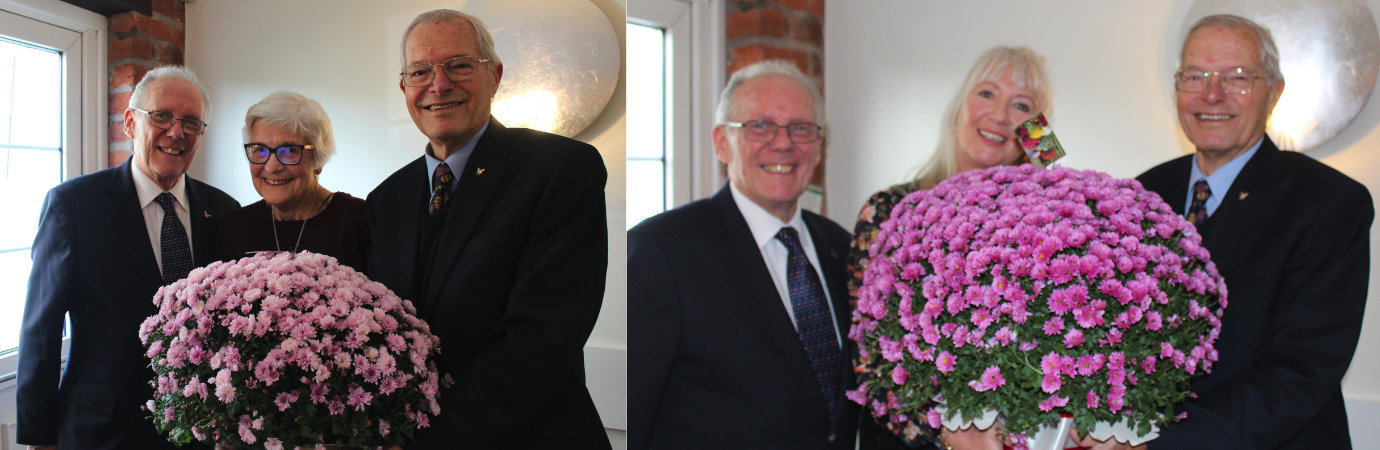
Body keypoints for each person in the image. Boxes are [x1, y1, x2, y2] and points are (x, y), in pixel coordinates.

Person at [1084, 14, 1373, 450]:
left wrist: (1150, 441)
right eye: (1195, 75)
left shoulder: (1328, 202)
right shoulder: (1139, 194)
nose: (1212, 93)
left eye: (1237, 77)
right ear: (1177, 89)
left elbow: (1301, 373)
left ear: (1273, 92)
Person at [365, 9, 610, 449]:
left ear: (494, 76)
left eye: (459, 65)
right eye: (420, 71)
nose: (438, 85)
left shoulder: (560, 169)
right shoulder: (385, 199)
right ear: (404, 87)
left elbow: (541, 340)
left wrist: (425, 441)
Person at [629, 59, 858, 449]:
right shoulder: (661, 251)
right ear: (722, 142)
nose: (783, 143)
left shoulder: (842, 248)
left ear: (818, 147)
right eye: (760, 126)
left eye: (800, 128)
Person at [16, 66, 239, 449]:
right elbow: (41, 331)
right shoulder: (74, 206)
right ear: (131, 123)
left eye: (191, 122)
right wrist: (39, 437)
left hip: (197, 433)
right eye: (162, 116)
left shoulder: (222, 210)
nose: (176, 132)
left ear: (200, 138)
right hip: (101, 430)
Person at [847, 46, 1053, 450]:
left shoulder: (1042, 231)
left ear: (1035, 128)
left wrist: (1046, 158)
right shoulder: (888, 211)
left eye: (1022, 105)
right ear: (959, 106)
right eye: (987, 93)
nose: (1000, 115)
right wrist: (948, 434)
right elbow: (867, 361)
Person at [216, 91, 368, 270]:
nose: (272, 167)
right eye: (260, 149)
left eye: (289, 151)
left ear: (318, 159)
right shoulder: (233, 228)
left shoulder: (359, 221)